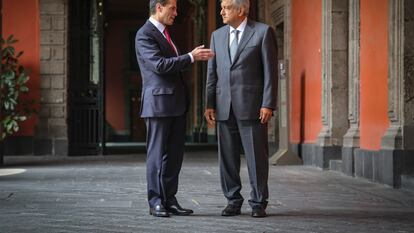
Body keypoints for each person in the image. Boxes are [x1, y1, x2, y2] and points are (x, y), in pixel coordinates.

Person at [135, 0, 214, 218]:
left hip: (176, 105)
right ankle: (155, 201)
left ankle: (170, 199)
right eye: (173, 8)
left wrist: (187, 57)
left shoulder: (166, 34)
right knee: (157, 155)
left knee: (174, 156)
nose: (176, 13)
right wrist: (190, 57)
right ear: (159, 7)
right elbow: (159, 65)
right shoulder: (145, 34)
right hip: (158, 105)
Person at [204, 0, 277, 218]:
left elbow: (270, 73)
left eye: (226, 7)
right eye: (221, 7)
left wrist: (268, 103)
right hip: (224, 107)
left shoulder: (263, 32)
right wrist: (209, 104)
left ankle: (258, 202)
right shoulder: (216, 36)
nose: (221, 11)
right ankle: (233, 200)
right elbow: (212, 74)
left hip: (253, 107)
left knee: (256, 158)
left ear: (241, 9)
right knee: (227, 159)